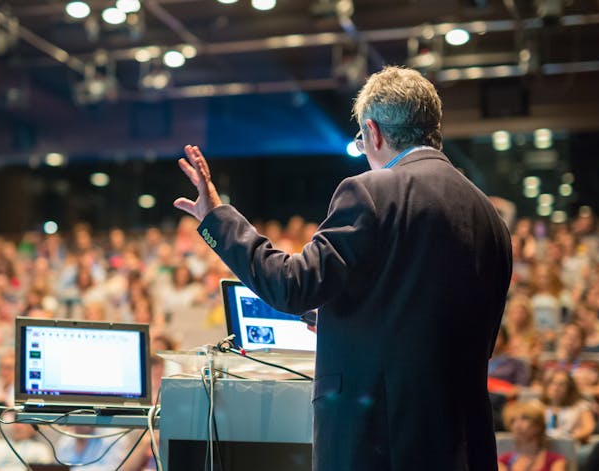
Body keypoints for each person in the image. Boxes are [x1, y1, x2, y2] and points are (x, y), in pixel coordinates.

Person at [173, 66, 513, 469]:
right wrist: (342, 318)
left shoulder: (372, 190)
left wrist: (217, 217)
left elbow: (291, 286)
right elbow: (437, 322)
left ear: (373, 132)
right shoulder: (489, 215)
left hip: (377, 442)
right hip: (463, 445)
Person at [497, 401, 566, 471]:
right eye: (512, 421)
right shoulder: (503, 461)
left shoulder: (555, 460)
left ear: (538, 425)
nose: (517, 425)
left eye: (524, 418)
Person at [538, 369, 595, 444]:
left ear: (569, 388)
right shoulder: (537, 406)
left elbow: (589, 428)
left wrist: (572, 437)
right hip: (543, 444)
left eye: (561, 384)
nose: (556, 387)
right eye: (552, 383)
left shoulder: (580, 406)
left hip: (570, 444)